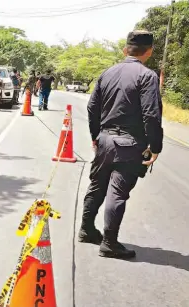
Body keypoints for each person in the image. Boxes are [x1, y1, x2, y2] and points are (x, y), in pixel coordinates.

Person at [78, 30, 163, 259]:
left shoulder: (108, 73)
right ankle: (109, 243)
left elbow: (91, 108)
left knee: (97, 186)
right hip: (129, 144)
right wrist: (155, 147)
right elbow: (151, 115)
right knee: (117, 192)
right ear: (149, 51)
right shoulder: (147, 76)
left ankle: (86, 229)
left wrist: (96, 136)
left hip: (105, 140)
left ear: (126, 50)